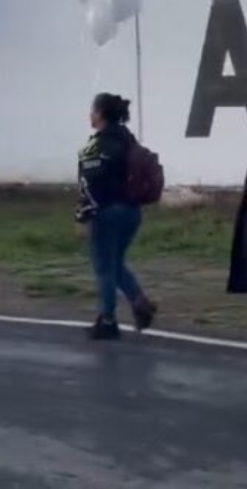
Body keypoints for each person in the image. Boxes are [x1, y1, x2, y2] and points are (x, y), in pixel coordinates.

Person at [77, 92, 157, 341]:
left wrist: (83, 216)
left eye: (92, 110)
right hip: (133, 212)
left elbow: (88, 186)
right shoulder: (129, 141)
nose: (90, 115)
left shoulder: (95, 147)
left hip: (107, 213)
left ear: (100, 114)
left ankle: (108, 321)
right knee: (116, 262)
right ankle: (138, 300)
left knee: (103, 268)